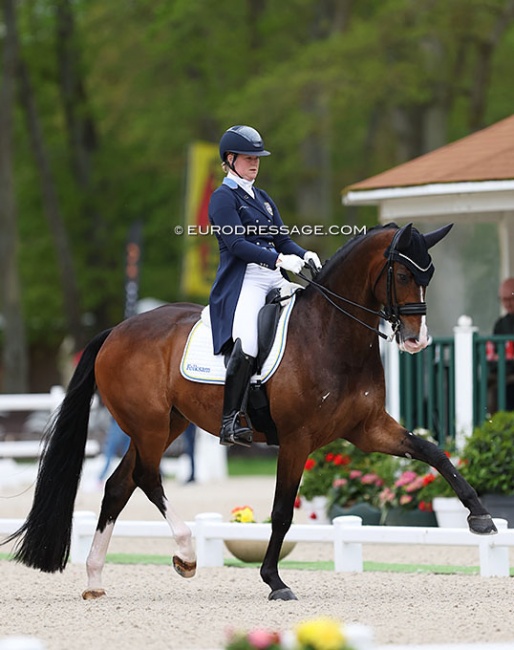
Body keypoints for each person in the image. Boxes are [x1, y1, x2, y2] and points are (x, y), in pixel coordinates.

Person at [208, 125, 321, 448]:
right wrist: (279, 261)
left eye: (257, 157)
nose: (255, 163)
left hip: (274, 274)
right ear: (230, 160)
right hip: (245, 279)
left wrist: (303, 254)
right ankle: (230, 420)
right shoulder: (222, 198)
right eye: (248, 157)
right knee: (247, 343)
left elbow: (281, 239)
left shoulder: (262, 198)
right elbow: (237, 243)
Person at [488, 277, 514, 412]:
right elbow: (494, 354)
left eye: (511, 299)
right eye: (504, 299)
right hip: (504, 374)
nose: (507, 304)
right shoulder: (501, 324)